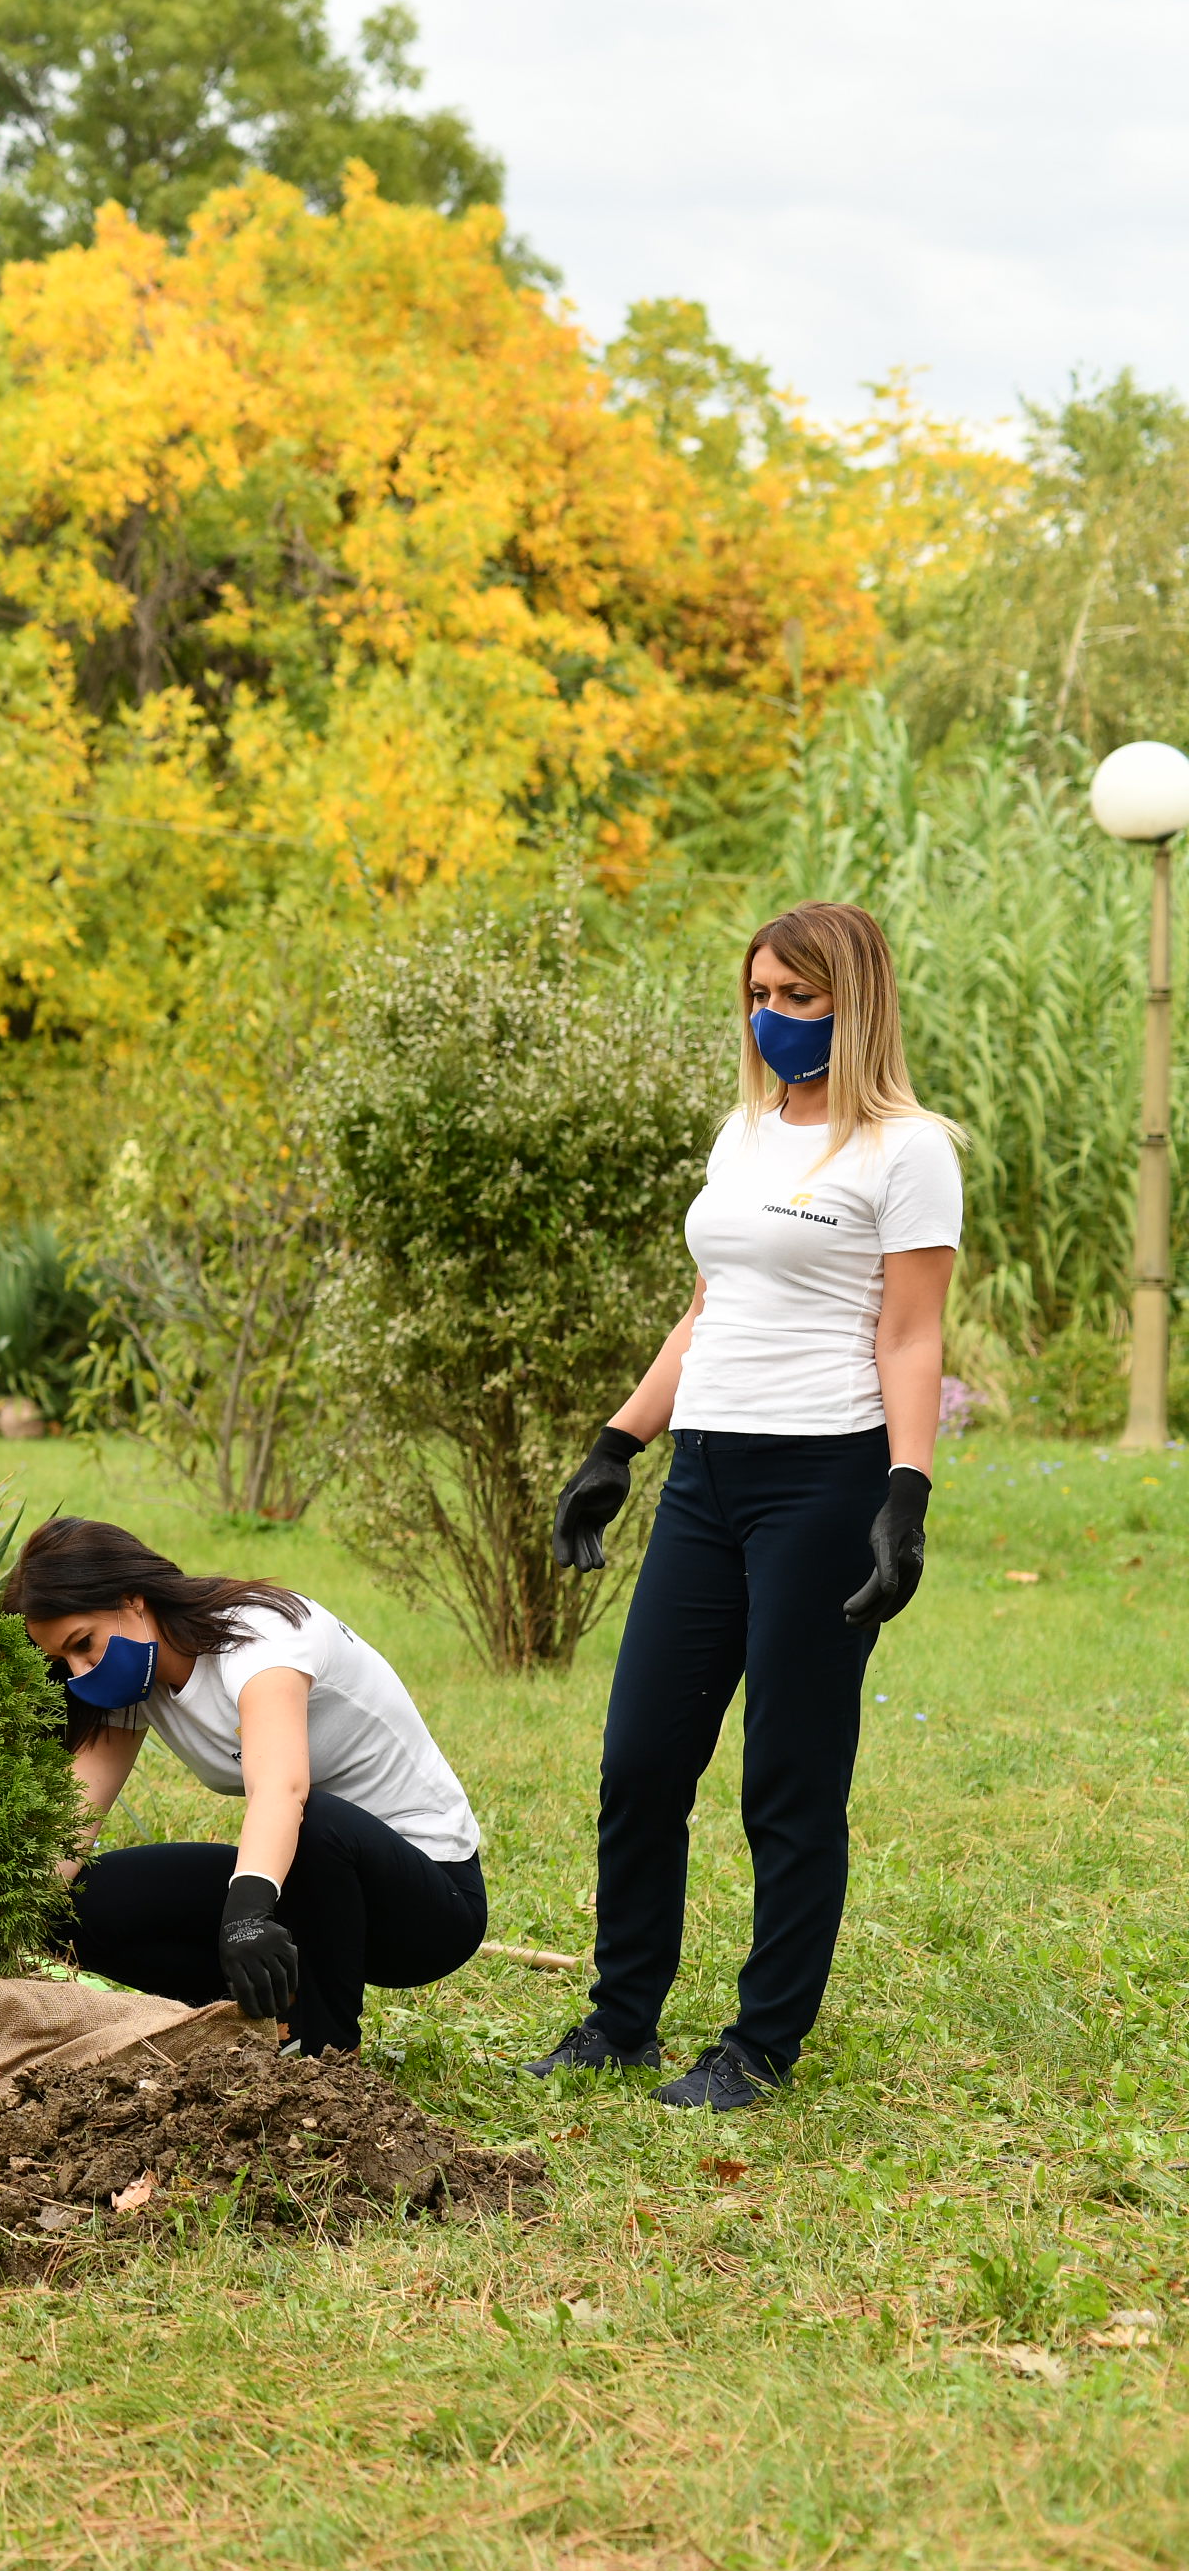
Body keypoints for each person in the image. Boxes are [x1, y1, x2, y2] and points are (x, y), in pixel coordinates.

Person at [535, 901, 959, 2111]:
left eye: (797, 999)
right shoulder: (747, 1131)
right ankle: (620, 2021)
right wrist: (616, 1445)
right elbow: (712, 1304)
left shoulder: (908, 1149)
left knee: (788, 1771)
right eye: (759, 996)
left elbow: (912, 1332)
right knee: (641, 1759)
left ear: (856, 1000)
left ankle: (761, 2043)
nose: (770, 1018)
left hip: (823, 1480)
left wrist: (905, 1495)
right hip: (706, 1477)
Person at [3, 1519, 486, 2052]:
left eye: (83, 1644)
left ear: (131, 1598)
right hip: (310, 1891)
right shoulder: (135, 1683)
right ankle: (260, 2016)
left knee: (315, 1819)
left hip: (427, 1901)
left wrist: (249, 1915)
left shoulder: (259, 1635)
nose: (79, 1672)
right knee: (77, 1905)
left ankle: (323, 2059)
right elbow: (74, 1820)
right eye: (63, 1662)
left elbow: (283, 1789)